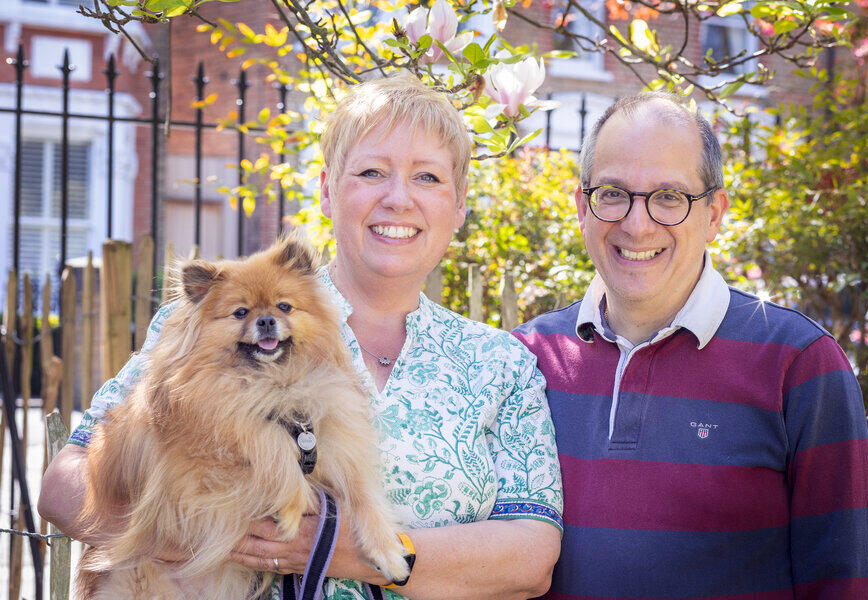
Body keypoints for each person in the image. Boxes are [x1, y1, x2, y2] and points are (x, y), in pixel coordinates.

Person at [38, 74, 563, 600]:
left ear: (460, 205)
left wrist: (340, 549)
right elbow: (65, 483)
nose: (398, 198)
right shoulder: (208, 325)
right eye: (372, 172)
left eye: (427, 177)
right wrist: (210, 533)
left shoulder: (501, 364)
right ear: (329, 191)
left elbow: (531, 558)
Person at [513, 92, 868, 599]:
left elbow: (848, 585)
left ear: (714, 213)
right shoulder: (526, 357)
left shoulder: (798, 365)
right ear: (583, 206)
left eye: (669, 196)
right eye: (613, 192)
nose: (636, 223)